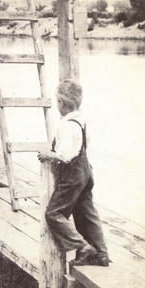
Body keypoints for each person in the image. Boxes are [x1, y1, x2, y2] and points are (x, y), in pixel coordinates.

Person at [37, 80, 109, 266]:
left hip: (72, 174)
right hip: (86, 170)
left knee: (54, 213)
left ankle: (83, 246)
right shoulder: (82, 120)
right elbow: (84, 146)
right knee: (86, 212)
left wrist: (48, 154)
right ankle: (101, 254)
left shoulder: (66, 125)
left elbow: (65, 155)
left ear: (60, 102)